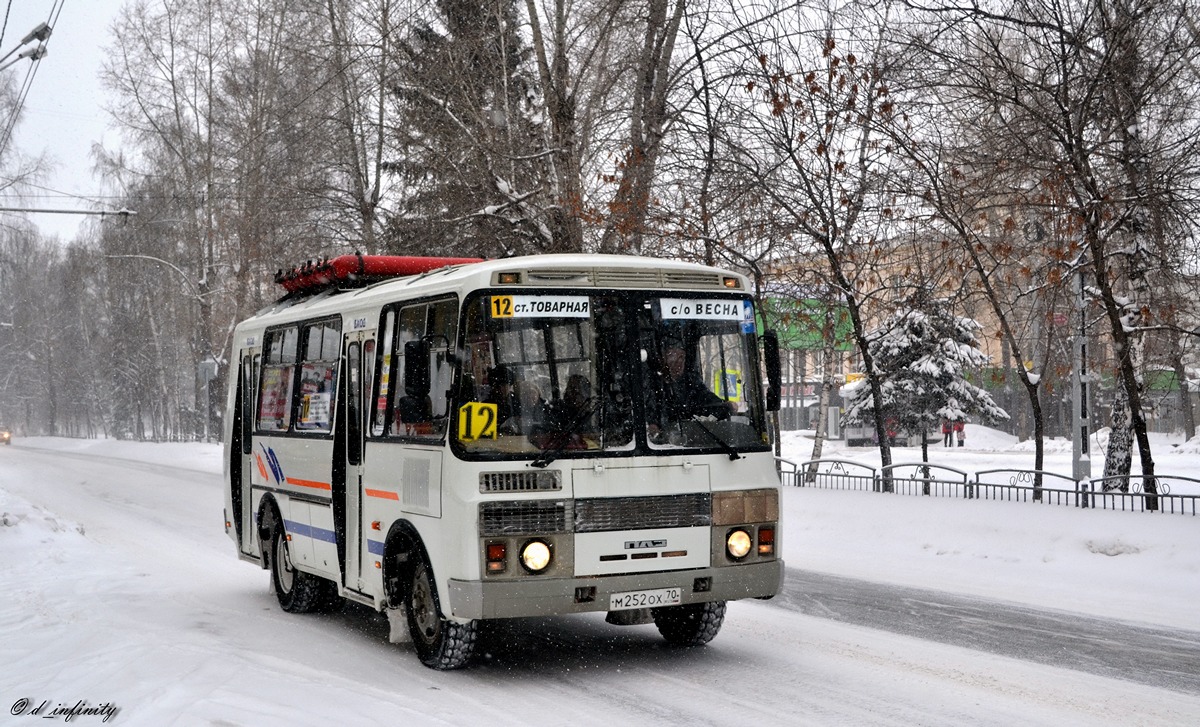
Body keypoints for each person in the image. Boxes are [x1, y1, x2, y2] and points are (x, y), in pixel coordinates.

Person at [654, 338, 734, 425]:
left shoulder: (690, 382)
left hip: (691, 433)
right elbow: (653, 412)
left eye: (682, 357)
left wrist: (725, 406)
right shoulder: (653, 385)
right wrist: (654, 424)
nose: (679, 362)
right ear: (663, 359)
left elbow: (708, 400)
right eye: (673, 356)